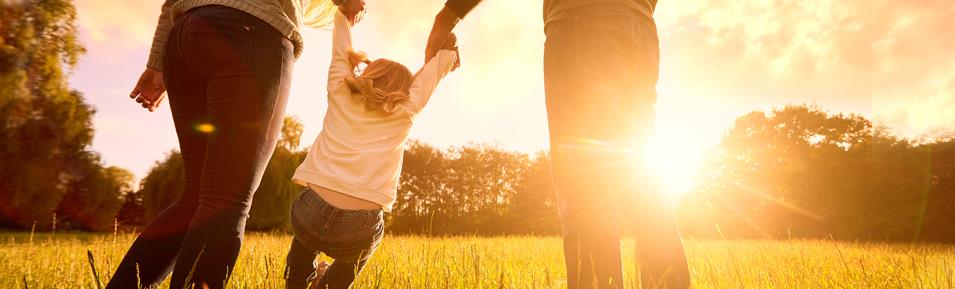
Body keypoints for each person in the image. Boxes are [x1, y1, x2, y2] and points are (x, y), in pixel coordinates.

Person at [422, 0, 692, 288]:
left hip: (582, 24)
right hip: (639, 28)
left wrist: (446, 18)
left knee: (584, 180)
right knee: (638, 177)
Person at [107, 0, 338, 288]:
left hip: (184, 38)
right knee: (226, 201)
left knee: (195, 199)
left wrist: (156, 63)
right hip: (252, 31)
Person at [284, 4, 460, 289]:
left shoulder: (341, 90)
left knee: (305, 240)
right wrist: (447, 54)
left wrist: (344, 16)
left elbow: (341, 50)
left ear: (368, 75)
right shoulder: (406, 110)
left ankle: (296, 281)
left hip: (310, 212)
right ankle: (331, 283)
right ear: (405, 91)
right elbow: (430, 78)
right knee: (355, 256)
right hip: (359, 226)